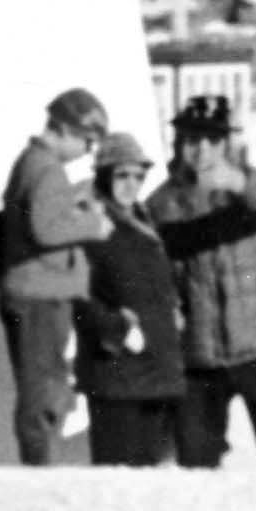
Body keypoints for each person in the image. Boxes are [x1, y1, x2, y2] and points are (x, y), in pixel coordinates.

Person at [146, 96, 256, 469]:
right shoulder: (162, 203)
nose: (202, 150)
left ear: (225, 144)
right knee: (197, 461)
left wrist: (237, 181)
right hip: (200, 354)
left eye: (211, 140)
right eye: (192, 140)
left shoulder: (249, 187)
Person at [0, 85, 111, 463]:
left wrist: (71, 200)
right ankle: (40, 465)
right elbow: (46, 229)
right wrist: (93, 224)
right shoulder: (47, 169)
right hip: (40, 297)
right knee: (44, 391)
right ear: (65, 130)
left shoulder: (33, 163)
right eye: (87, 141)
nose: (88, 152)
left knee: (44, 385)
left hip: (32, 293)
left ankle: (41, 459)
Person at [72, 132, 184, 464]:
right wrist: (116, 329)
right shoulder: (88, 224)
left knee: (152, 484)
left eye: (138, 176)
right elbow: (77, 295)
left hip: (158, 369)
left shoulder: (142, 220)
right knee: (117, 478)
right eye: (122, 175)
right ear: (104, 175)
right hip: (117, 373)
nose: (131, 184)